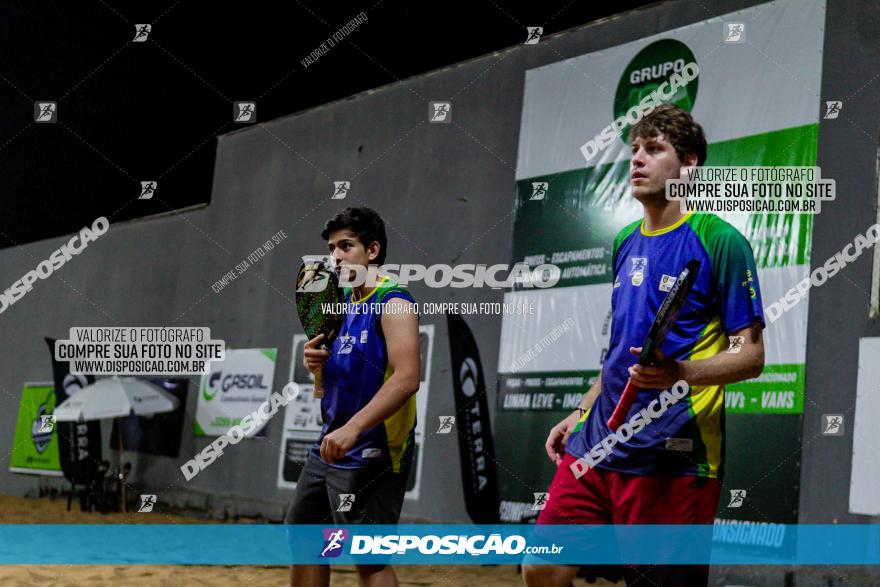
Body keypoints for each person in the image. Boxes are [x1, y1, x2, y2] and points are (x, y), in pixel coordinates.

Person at [523, 104, 766, 587]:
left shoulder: (721, 241)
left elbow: (751, 356)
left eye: (653, 149)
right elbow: (620, 352)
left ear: (689, 165)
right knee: (542, 568)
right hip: (595, 446)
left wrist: (682, 373)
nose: (637, 159)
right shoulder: (625, 242)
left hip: (671, 454)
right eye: (634, 149)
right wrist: (582, 410)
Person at [286, 206, 420, 587]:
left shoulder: (394, 302)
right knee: (304, 540)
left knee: (368, 559)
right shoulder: (340, 305)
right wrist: (316, 366)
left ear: (372, 250)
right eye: (332, 249)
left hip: (374, 446)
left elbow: (408, 379)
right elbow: (328, 383)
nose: (336, 257)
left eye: (346, 246)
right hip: (331, 442)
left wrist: (354, 428)